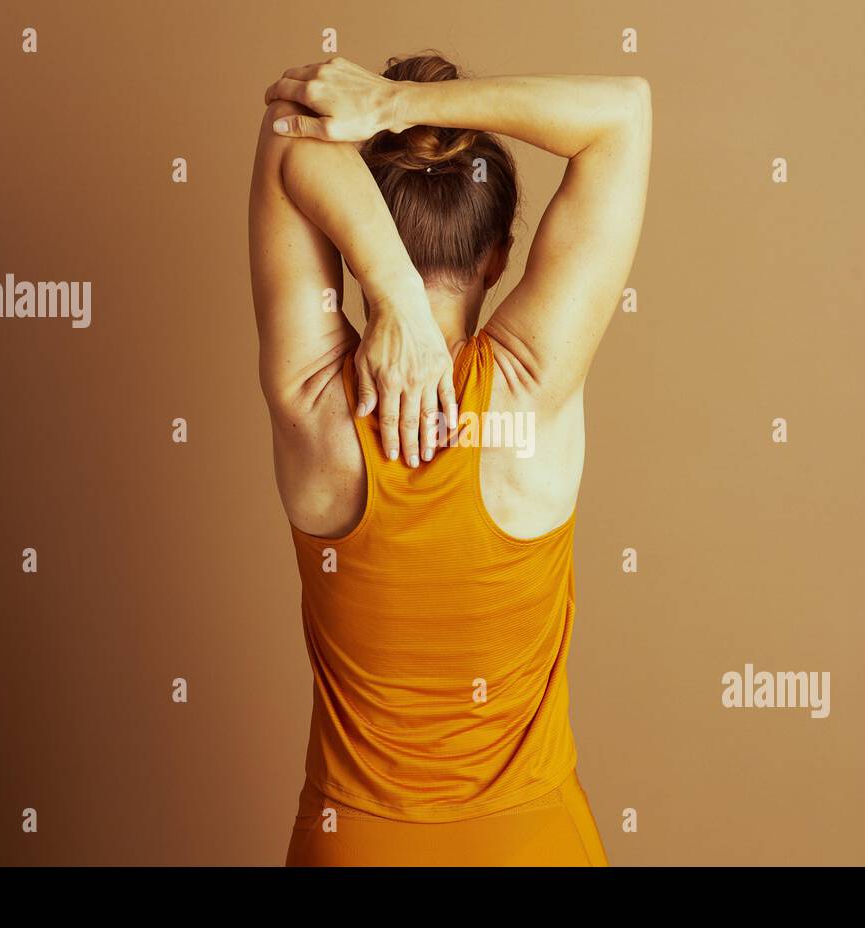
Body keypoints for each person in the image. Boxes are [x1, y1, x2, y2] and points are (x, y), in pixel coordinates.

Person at [248, 51, 651, 865]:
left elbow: (286, 132)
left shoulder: (314, 404)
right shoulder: (533, 386)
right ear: (499, 255)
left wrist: (390, 290)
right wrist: (397, 102)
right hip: (532, 842)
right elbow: (623, 115)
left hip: (351, 844)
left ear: (350, 227)